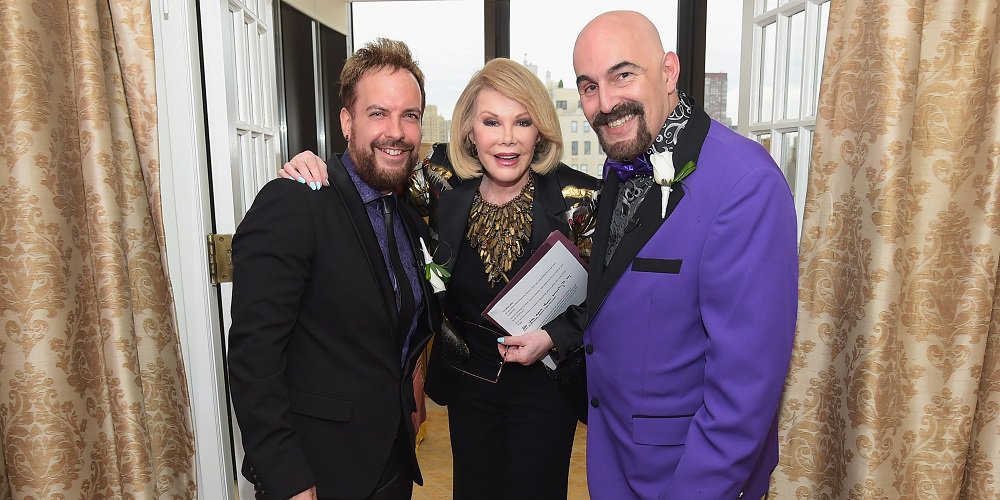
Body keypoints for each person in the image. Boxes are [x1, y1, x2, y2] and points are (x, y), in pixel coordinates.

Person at [280, 58, 600, 499]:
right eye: (491, 122)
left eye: (522, 122)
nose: (507, 139)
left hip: (545, 389)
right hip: (469, 388)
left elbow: (613, 295)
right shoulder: (438, 190)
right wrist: (314, 165)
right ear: (470, 131)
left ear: (540, 130)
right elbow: (369, 167)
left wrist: (554, 335)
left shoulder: (580, 201)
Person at [533, 10, 799, 499]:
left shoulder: (746, 184)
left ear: (669, 71)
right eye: (589, 86)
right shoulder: (623, 164)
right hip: (616, 464)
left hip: (688, 478)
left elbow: (743, 397)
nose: (605, 103)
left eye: (623, 76)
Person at [227, 38, 440, 500]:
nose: (396, 131)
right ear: (347, 122)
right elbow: (253, 357)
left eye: (410, 116)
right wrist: (287, 478)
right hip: (319, 473)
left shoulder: (404, 213)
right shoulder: (296, 202)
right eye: (378, 113)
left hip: (390, 463)